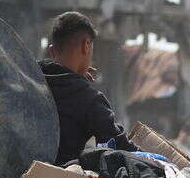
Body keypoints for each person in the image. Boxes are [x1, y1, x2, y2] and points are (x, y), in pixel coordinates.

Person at [40, 12, 128, 165]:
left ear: (52, 51)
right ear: (86, 45)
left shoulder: (29, 76)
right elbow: (120, 149)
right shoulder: (89, 99)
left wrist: (72, 76)